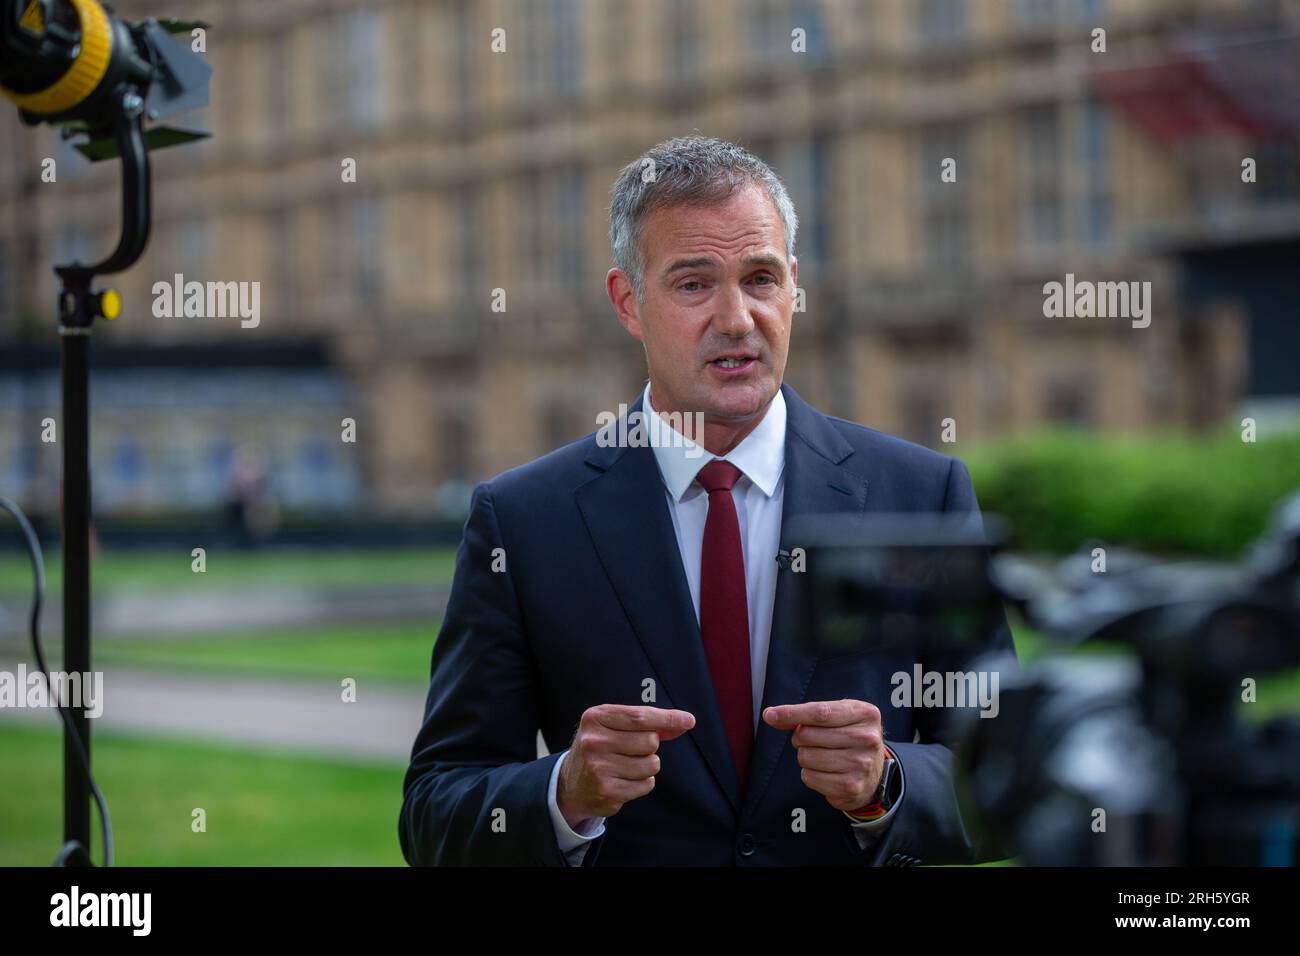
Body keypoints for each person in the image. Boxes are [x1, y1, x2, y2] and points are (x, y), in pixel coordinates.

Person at [400, 135, 1014, 866]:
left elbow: (1007, 779)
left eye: (759, 279)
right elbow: (435, 811)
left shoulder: (921, 497)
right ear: (628, 302)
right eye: (694, 284)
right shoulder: (524, 521)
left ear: (793, 285)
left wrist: (887, 784)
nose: (736, 318)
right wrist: (565, 792)